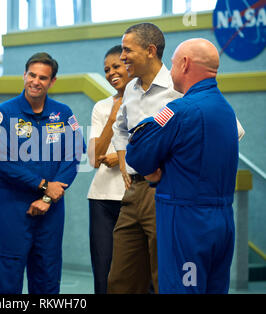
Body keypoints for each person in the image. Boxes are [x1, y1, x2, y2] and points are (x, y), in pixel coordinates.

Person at [125, 38, 239, 294]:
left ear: (185, 64)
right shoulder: (226, 110)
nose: (171, 70)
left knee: (182, 289)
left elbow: (137, 152)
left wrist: (153, 168)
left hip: (187, 223)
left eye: (174, 64)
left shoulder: (180, 110)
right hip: (222, 222)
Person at [0, 52, 84, 294]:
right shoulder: (4, 113)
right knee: (4, 277)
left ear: (52, 82)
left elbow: (73, 156)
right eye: (32, 75)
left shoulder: (63, 113)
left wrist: (48, 197)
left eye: (43, 77)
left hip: (50, 210)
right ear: (24, 75)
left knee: (47, 276)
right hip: (12, 210)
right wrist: (42, 185)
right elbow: (0, 159)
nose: (36, 81)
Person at [107, 23, 183, 294]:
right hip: (133, 192)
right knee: (120, 280)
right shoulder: (131, 89)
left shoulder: (180, 85)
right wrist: (122, 156)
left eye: (128, 50)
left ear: (150, 51)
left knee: (164, 277)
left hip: (165, 192)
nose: (122, 56)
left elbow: (228, 131)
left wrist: (176, 171)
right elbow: (121, 128)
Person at [87, 45, 131, 294]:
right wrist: (113, 116)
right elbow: (94, 158)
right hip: (102, 199)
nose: (111, 72)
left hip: (134, 197)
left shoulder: (152, 101)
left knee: (139, 273)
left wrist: (122, 157)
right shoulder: (101, 107)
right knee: (103, 271)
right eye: (107, 69)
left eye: (117, 66)